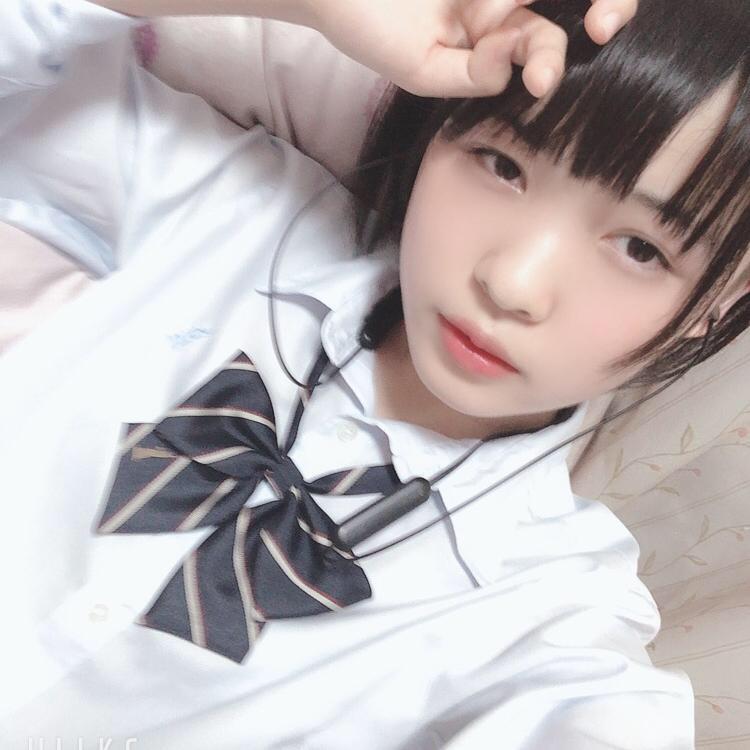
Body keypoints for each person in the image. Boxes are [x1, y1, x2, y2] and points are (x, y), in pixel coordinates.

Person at [0, 1, 747, 748]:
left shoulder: (550, 615)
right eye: (503, 164)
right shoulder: (228, 208)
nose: (513, 282)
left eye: (640, 249)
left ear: (721, 301)